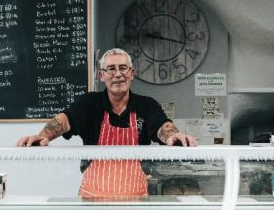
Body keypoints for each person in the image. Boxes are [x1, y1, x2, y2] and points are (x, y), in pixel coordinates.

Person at [16, 48, 196, 197]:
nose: (118, 74)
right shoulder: (89, 103)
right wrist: (42, 136)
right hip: (92, 196)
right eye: (111, 69)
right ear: (102, 75)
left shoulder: (147, 105)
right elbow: (65, 119)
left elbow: (162, 126)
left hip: (134, 197)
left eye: (123, 68)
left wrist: (173, 135)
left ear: (131, 73)